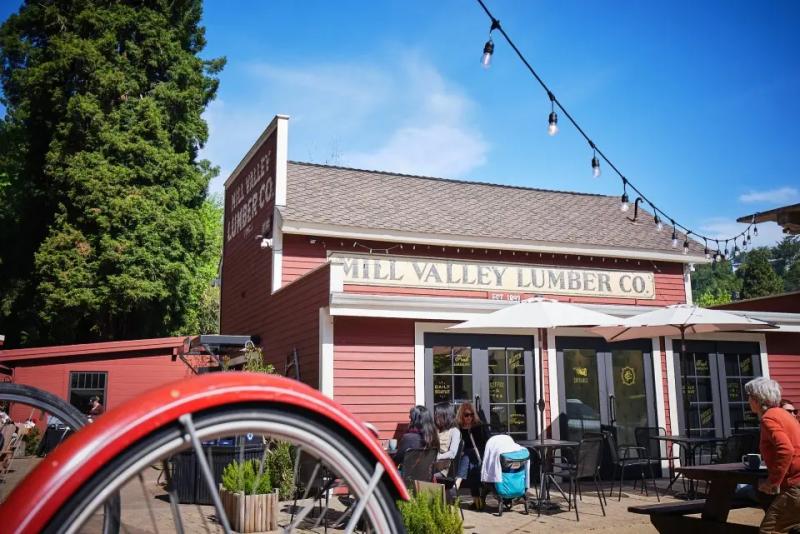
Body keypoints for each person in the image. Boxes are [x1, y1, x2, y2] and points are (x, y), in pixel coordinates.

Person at [745, 377, 800, 533]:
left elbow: (786, 449)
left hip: (795, 486)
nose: (748, 400)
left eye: (749, 396)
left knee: (769, 530)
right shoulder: (785, 415)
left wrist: (772, 482)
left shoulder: (769, 418)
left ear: (757, 399)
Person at [454, 401, 491, 509]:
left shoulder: (478, 427)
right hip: (466, 457)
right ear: (461, 415)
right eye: (466, 415)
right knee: (470, 466)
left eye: (471, 415)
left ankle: (457, 483)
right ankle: (477, 502)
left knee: (470, 463)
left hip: (479, 456)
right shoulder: (459, 428)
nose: (469, 417)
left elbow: (485, 442)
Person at [433, 402, 461, 475]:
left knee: (423, 475)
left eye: (437, 415)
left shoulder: (454, 431)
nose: (435, 417)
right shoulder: (437, 430)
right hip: (432, 465)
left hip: (443, 468)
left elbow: (452, 453)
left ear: (445, 415)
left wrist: (438, 456)